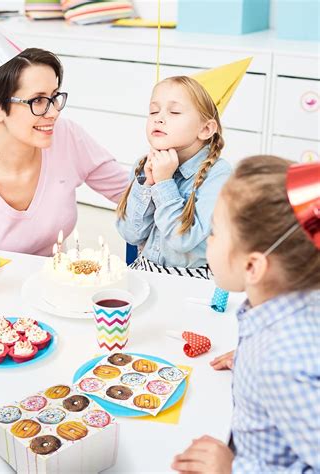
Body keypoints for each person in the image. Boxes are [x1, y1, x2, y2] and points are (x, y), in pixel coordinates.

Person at [0, 0, 128, 255]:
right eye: (37, 100)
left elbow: (130, 195)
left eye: (54, 96)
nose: (54, 111)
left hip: (55, 283)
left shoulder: (67, 136)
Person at [172, 156, 320, 473]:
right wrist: (250, 355)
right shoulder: (291, 312)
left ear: (252, 267)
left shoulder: (282, 363)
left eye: (214, 232)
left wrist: (233, 469)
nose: (207, 243)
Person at [116, 74, 230, 278]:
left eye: (174, 111)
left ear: (205, 129)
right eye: (153, 111)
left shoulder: (219, 175)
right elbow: (131, 235)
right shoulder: (143, 166)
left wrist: (164, 183)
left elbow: (183, 241)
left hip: (192, 283)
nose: (159, 118)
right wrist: (147, 184)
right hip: (147, 273)